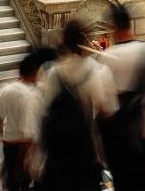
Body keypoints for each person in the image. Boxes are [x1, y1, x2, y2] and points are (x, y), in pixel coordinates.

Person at [39, 19, 117, 191]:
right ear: (86, 41)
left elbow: (45, 110)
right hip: (85, 152)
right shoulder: (97, 71)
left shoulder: (53, 73)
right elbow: (108, 112)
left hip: (58, 154)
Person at [100, 5, 145, 191]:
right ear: (131, 24)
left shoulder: (106, 57)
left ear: (113, 27)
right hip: (144, 131)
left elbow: (105, 106)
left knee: (124, 184)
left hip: (119, 138)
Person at [0, 50, 56, 191]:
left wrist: (3, 138)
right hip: (21, 149)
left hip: (8, 143)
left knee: (10, 182)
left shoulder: (6, 89)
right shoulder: (31, 96)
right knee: (22, 183)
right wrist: (25, 159)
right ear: (35, 73)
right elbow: (28, 133)